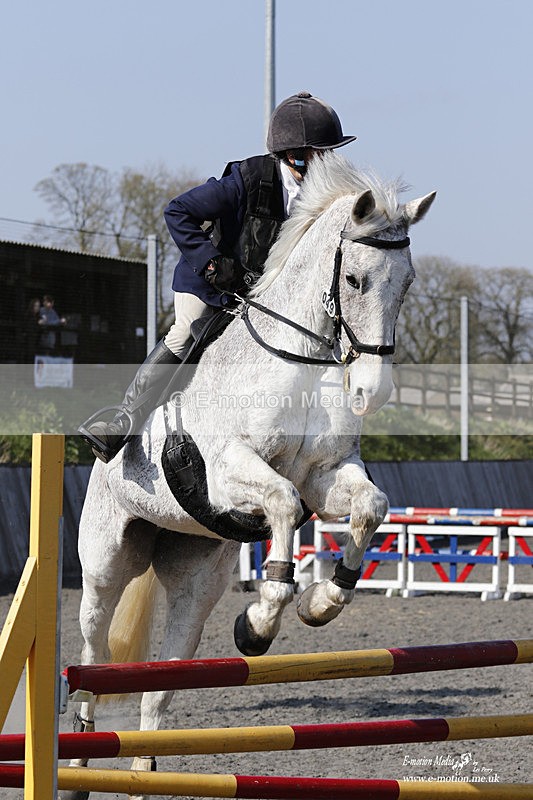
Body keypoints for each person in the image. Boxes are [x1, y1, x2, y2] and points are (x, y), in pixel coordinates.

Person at [79, 91, 357, 463]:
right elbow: (177, 211)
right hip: (209, 286)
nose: (330, 159)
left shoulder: (323, 196)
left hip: (262, 296)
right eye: (323, 152)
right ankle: (124, 420)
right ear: (295, 155)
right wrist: (212, 263)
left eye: (330, 152)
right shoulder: (246, 180)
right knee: (184, 333)